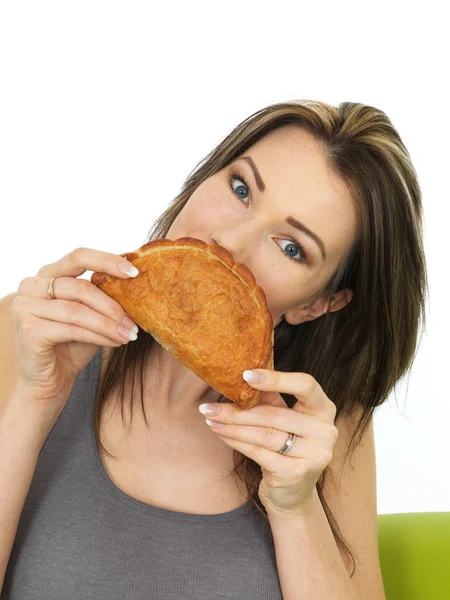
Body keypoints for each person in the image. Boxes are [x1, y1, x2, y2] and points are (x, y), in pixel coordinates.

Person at [0, 99, 426, 600]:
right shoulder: (31, 334)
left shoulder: (322, 428)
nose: (229, 240)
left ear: (319, 303)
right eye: (240, 188)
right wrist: (35, 399)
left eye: (291, 246)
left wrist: (295, 507)